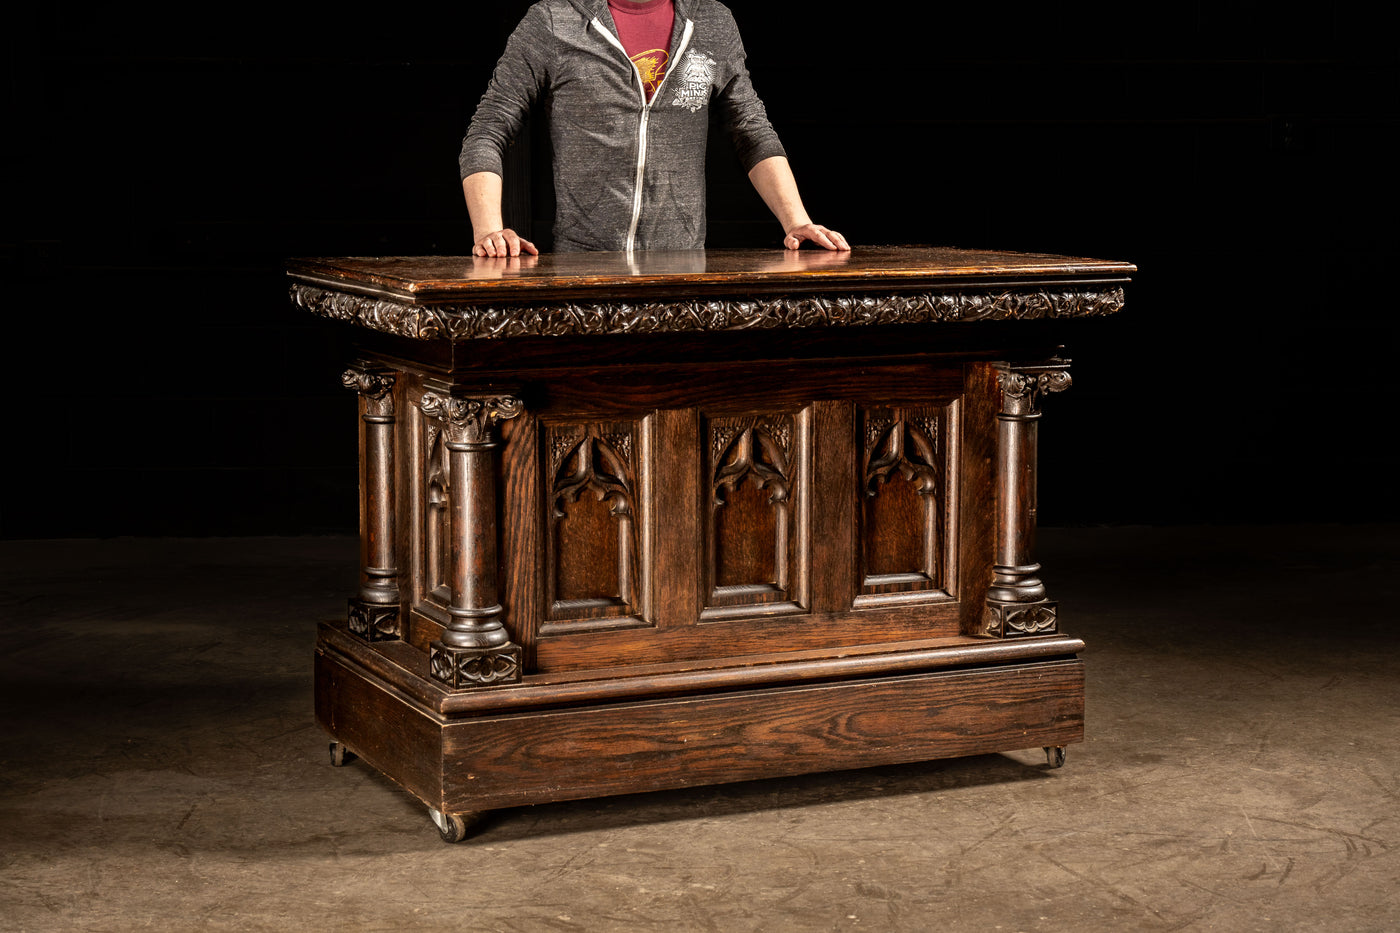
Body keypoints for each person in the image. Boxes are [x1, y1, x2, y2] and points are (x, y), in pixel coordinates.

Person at [459, 0, 849, 257]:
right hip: (582, 270)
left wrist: (798, 221)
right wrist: (489, 231)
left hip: (681, 271)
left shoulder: (711, 21)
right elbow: (487, 130)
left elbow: (752, 129)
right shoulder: (553, 20)